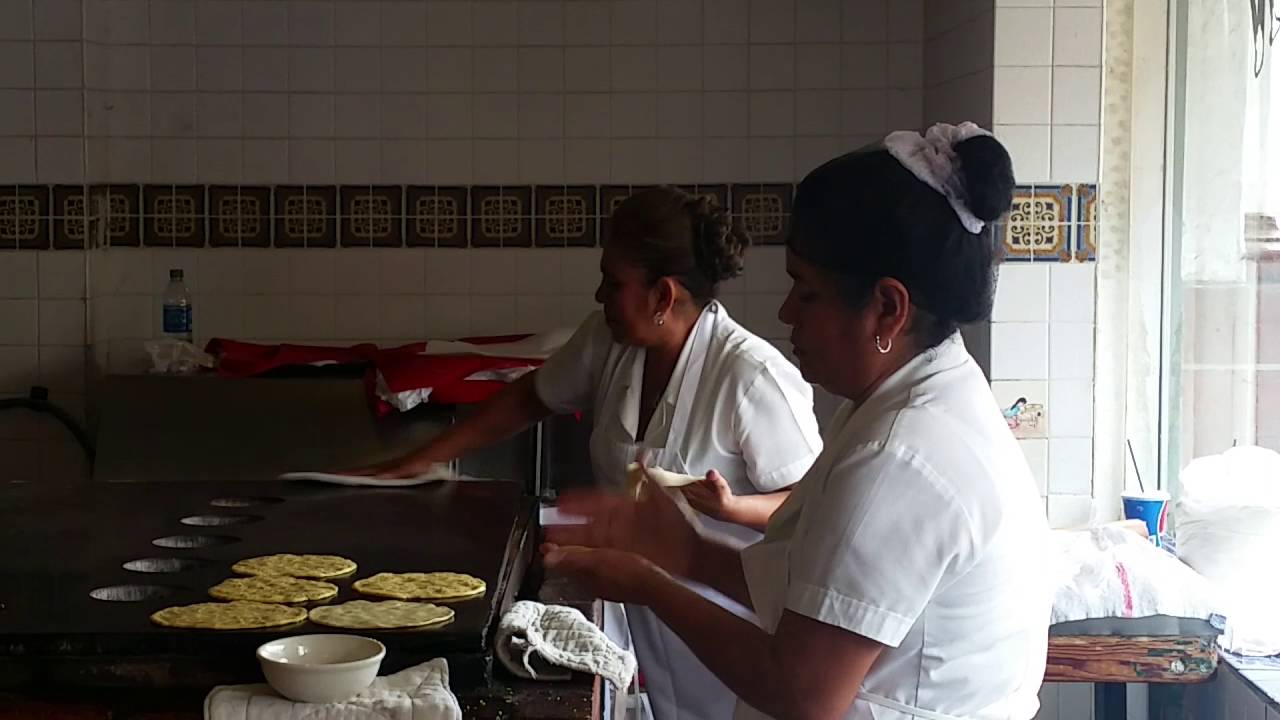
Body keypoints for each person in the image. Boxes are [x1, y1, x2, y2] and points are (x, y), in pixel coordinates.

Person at [543, 124, 1052, 720]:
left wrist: (645, 582)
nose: (786, 312)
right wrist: (686, 551)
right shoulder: (905, 403)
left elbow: (802, 694)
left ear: (888, 308)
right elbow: (815, 592)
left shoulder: (904, 454)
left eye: (805, 293)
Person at [360, 185, 823, 719]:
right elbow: (530, 398)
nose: (600, 296)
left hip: (726, 624)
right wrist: (421, 458)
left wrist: (733, 509)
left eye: (613, 282)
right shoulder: (611, 342)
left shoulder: (751, 377)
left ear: (662, 297)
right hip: (644, 613)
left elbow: (809, 515)